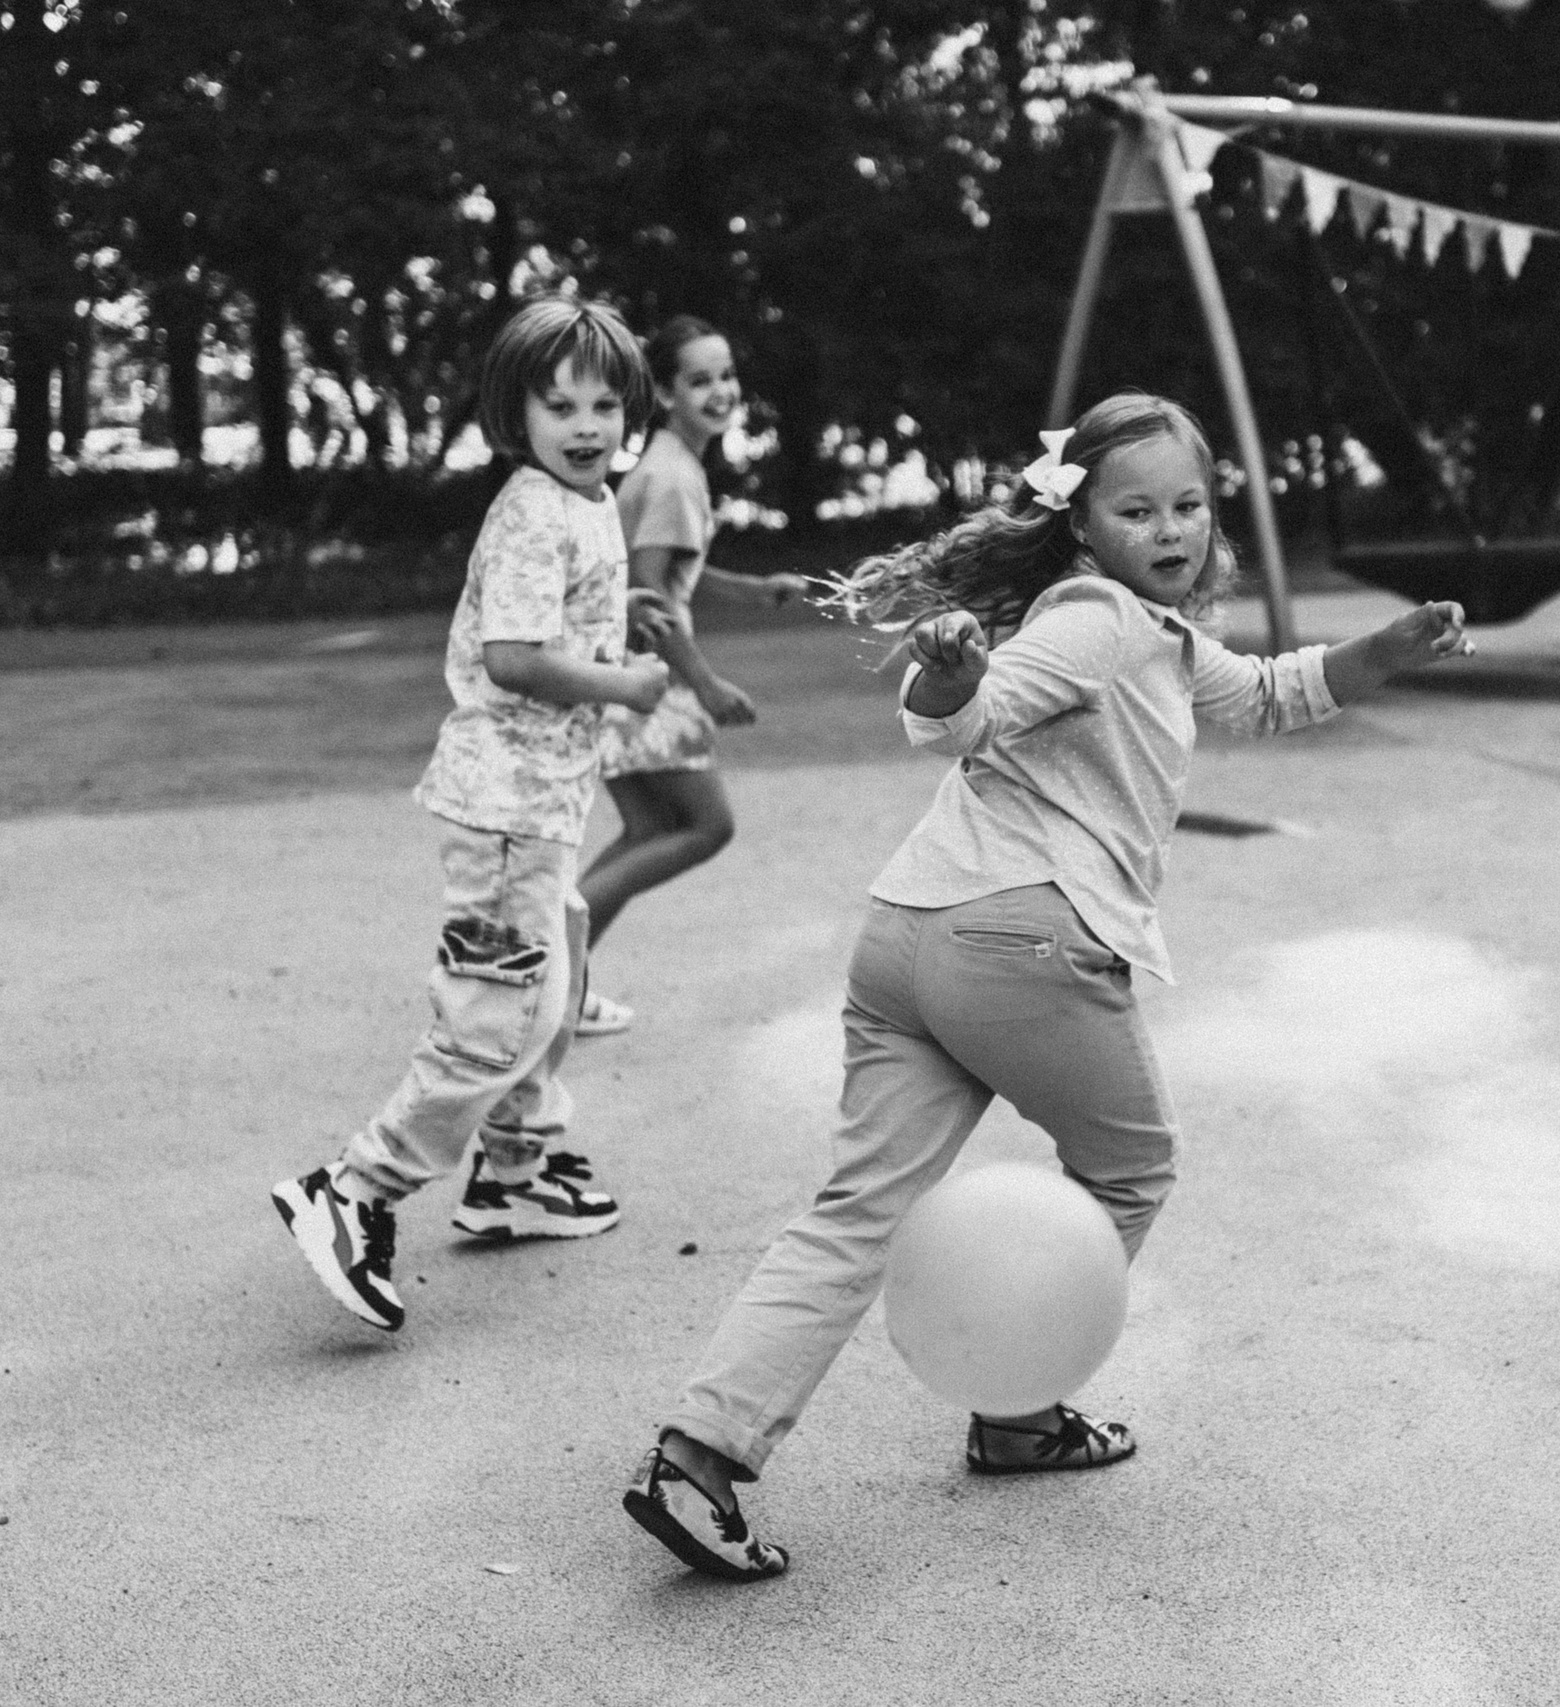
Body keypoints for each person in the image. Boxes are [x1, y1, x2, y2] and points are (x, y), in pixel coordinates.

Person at [620, 391, 1474, 1581]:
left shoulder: (1157, 635)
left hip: (906, 936)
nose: (1170, 530)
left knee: (857, 1210)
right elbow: (968, 721)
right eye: (1137, 511)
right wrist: (947, 681)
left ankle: (698, 1458)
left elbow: (1269, 693)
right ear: (1080, 525)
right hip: (1016, 946)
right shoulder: (1096, 620)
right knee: (1130, 1170)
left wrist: (1389, 647)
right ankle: (1019, 1416)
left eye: (1188, 506)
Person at [271, 296, 671, 1333]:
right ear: (515, 413)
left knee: (559, 965)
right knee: (497, 1013)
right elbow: (514, 658)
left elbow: (560, 619)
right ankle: (354, 1188)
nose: (585, 425)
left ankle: (515, 1170)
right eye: (559, 406)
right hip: (504, 808)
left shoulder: (586, 501)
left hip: (540, 806)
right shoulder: (536, 507)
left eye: (604, 404)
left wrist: (619, 629)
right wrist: (624, 685)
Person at [575, 316, 809, 1037]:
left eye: (726, 375)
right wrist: (705, 684)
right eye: (700, 380)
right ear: (665, 393)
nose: (720, 391)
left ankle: (558, 981)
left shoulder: (669, 464)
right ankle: (547, 957)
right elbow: (649, 595)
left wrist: (753, 590)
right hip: (645, 676)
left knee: (650, 827)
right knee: (709, 827)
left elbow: (676, 573)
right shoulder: (675, 476)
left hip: (613, 670)